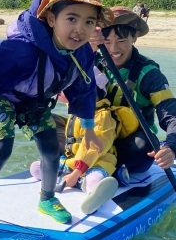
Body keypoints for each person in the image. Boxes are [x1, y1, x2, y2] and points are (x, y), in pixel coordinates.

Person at [0, 0, 112, 239]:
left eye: (89, 22)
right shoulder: (22, 50)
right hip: (4, 99)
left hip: (36, 103)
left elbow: (83, 89)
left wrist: (89, 129)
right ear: (52, 19)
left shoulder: (82, 54)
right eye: (71, 18)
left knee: (51, 148)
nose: (80, 29)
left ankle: (47, 198)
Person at [30, 24, 119, 215]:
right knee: (36, 168)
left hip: (96, 163)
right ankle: (72, 181)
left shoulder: (102, 115)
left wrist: (78, 171)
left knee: (95, 178)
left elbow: (94, 147)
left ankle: (93, 195)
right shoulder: (75, 114)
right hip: (72, 162)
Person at [99, 5, 176, 176]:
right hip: (96, 138)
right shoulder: (90, 63)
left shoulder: (149, 74)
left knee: (145, 145)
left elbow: (173, 117)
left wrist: (172, 147)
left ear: (135, 37)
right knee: (53, 129)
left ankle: (101, 170)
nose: (113, 49)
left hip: (128, 144)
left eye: (121, 41)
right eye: (107, 42)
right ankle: (93, 167)